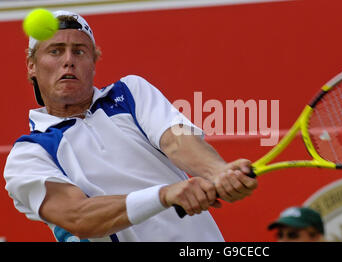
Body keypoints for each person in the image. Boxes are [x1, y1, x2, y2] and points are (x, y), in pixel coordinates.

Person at [3, 10, 258, 242]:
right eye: (55, 51)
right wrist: (163, 195)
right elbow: (78, 217)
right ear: (32, 67)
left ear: (94, 61)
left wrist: (218, 172)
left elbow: (177, 141)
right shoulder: (28, 156)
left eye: (79, 51)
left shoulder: (131, 92)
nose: (68, 60)